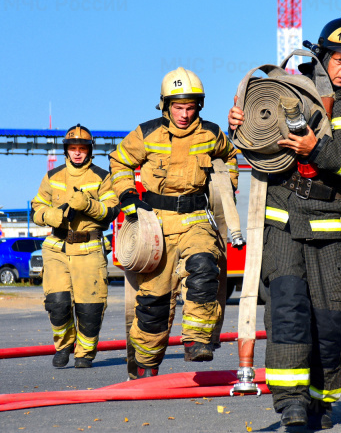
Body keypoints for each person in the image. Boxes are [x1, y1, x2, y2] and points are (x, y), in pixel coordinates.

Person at [228, 14, 341, 429]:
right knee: (287, 312)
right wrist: (241, 124)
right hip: (282, 224)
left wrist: (320, 149)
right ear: (321, 55)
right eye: (338, 57)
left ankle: (322, 399)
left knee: (333, 324)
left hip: (333, 228)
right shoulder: (285, 88)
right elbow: (258, 137)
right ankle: (291, 404)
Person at [110, 67, 238, 378]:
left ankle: (197, 341)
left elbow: (230, 154)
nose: (184, 114)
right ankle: (144, 365)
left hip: (196, 219)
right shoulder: (146, 133)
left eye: (190, 107)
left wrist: (228, 183)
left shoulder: (211, 133)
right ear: (165, 106)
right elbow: (120, 160)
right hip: (157, 225)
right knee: (153, 303)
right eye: (178, 107)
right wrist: (127, 194)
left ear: (199, 106)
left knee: (205, 268)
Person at [31, 124, 120, 369]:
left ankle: (85, 353)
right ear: (66, 150)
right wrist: (50, 216)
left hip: (89, 249)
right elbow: (36, 209)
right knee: (57, 303)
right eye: (73, 148)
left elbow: (111, 211)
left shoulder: (102, 177)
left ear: (89, 151)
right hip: (56, 248)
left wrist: (88, 205)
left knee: (90, 308)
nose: (77, 153)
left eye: (82, 148)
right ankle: (63, 346)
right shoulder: (52, 176)